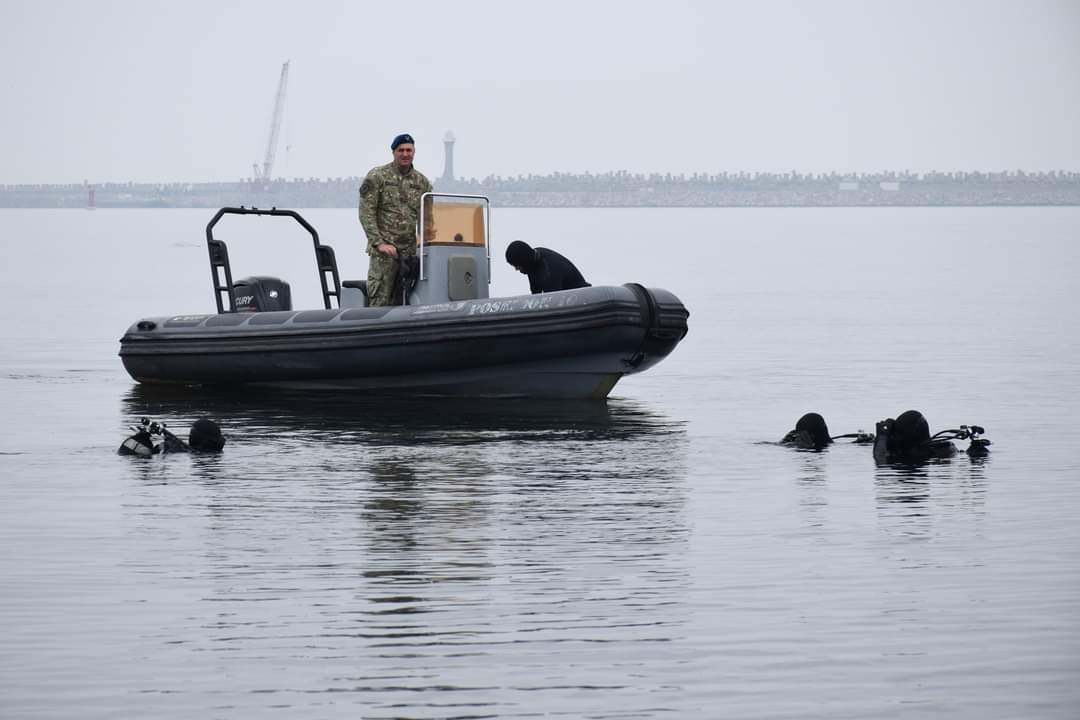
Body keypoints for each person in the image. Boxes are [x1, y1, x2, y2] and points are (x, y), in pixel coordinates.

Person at [358, 133, 434, 306]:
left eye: (409, 150)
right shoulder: (378, 176)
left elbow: (428, 217)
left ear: (414, 152)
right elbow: (366, 213)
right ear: (393, 152)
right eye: (401, 150)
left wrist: (425, 240)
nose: (405, 154)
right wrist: (379, 243)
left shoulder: (421, 182)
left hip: (409, 254)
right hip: (384, 253)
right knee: (380, 300)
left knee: (406, 302)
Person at [505, 240, 590, 294]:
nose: (516, 269)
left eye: (517, 265)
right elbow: (536, 294)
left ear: (524, 261)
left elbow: (553, 304)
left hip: (583, 302)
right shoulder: (533, 262)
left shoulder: (549, 270)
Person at [873, 410, 956, 464]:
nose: (896, 438)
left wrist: (882, 437)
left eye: (899, 434)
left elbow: (880, 458)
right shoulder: (943, 449)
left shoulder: (915, 454)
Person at [118, 417, 225, 456]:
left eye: (192, 433)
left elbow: (124, 453)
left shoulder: (175, 448)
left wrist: (142, 438)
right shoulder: (214, 451)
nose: (190, 436)